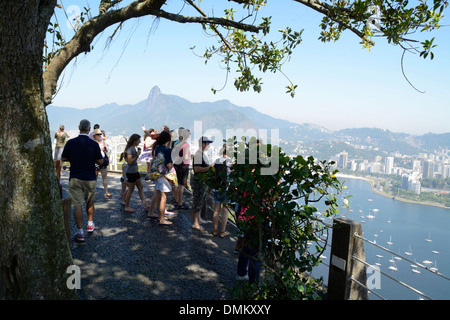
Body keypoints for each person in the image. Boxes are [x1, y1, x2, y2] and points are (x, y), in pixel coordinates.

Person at [61, 119, 104, 242]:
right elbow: (100, 161)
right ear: (89, 129)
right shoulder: (94, 144)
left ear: (79, 127)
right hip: (90, 177)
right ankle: (90, 224)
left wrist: (74, 157)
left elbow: (63, 157)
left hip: (75, 176)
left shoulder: (71, 142)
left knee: (77, 204)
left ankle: (80, 233)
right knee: (90, 201)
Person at [150, 131, 176, 226]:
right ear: (168, 139)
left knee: (158, 195)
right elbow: (168, 164)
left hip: (156, 174)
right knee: (163, 198)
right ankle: (161, 219)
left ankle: (160, 216)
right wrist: (174, 163)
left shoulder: (157, 147)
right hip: (164, 175)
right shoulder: (167, 150)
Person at [191, 136, 213, 230]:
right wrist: (209, 167)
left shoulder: (202, 154)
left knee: (201, 200)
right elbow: (197, 169)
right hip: (198, 181)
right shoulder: (198, 155)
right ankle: (195, 223)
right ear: (203, 144)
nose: (208, 145)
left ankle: (199, 219)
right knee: (197, 201)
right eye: (207, 144)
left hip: (202, 181)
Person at [123, 134, 149, 212]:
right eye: (138, 140)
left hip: (135, 171)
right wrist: (138, 154)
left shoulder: (133, 148)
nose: (139, 142)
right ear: (134, 141)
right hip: (131, 172)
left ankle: (145, 205)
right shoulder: (130, 150)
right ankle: (126, 206)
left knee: (140, 188)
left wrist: (138, 153)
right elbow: (130, 161)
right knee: (131, 189)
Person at [211, 144, 232, 238]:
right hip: (226, 188)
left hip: (216, 187)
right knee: (225, 210)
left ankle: (215, 230)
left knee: (216, 209)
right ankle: (222, 232)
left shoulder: (217, 160)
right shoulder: (230, 162)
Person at [173, 128, 191, 210]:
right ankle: (180, 203)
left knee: (178, 184)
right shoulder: (186, 144)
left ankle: (177, 200)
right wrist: (192, 156)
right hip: (184, 166)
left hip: (178, 165)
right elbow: (186, 157)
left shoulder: (178, 143)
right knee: (182, 185)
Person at [93, 128, 111, 198]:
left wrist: (105, 148)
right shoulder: (93, 143)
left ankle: (106, 191)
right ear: (94, 135)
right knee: (95, 177)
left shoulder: (103, 142)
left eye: (100, 134)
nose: (99, 135)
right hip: (96, 161)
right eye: (98, 134)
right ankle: (93, 191)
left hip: (103, 160)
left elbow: (106, 151)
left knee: (105, 177)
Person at [53, 124, 69, 197]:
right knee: (61, 159)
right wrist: (65, 131)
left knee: (56, 159)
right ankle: (61, 167)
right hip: (62, 147)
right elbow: (68, 136)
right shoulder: (63, 134)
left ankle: (56, 168)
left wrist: (58, 131)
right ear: (63, 128)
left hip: (56, 147)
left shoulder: (57, 133)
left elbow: (55, 137)